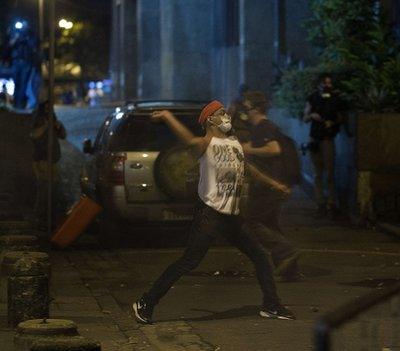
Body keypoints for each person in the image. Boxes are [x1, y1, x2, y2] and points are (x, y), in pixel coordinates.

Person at [132, 100, 296, 324]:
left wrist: (274, 184)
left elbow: (248, 168)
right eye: (221, 114)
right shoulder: (206, 143)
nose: (226, 116)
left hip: (232, 215)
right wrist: (168, 116)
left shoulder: (233, 143)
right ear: (210, 120)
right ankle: (146, 302)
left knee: (261, 257)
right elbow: (188, 139)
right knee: (189, 262)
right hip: (209, 214)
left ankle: (271, 305)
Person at [241, 91, 303, 282]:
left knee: (251, 221)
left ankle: (287, 251)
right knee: (270, 225)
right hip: (270, 185)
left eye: (247, 109)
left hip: (270, 185)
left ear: (257, 109)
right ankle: (289, 270)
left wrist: (246, 149)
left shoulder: (264, 126)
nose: (245, 113)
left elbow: (273, 149)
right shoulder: (262, 128)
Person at [303, 74, 345, 218]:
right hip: (315, 138)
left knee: (330, 174)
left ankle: (332, 204)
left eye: (329, 83)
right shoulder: (313, 97)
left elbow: (340, 117)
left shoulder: (335, 98)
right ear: (319, 85)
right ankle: (321, 204)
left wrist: (332, 123)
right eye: (324, 83)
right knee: (317, 174)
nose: (327, 86)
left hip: (328, 138)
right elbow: (305, 117)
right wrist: (312, 116)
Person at [30, 101, 66, 227]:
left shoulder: (53, 119)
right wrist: (47, 126)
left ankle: (48, 216)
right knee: (44, 189)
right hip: (42, 160)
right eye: (47, 108)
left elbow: (63, 136)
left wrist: (59, 126)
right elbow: (34, 135)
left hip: (53, 160)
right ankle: (39, 216)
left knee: (53, 188)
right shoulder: (38, 119)